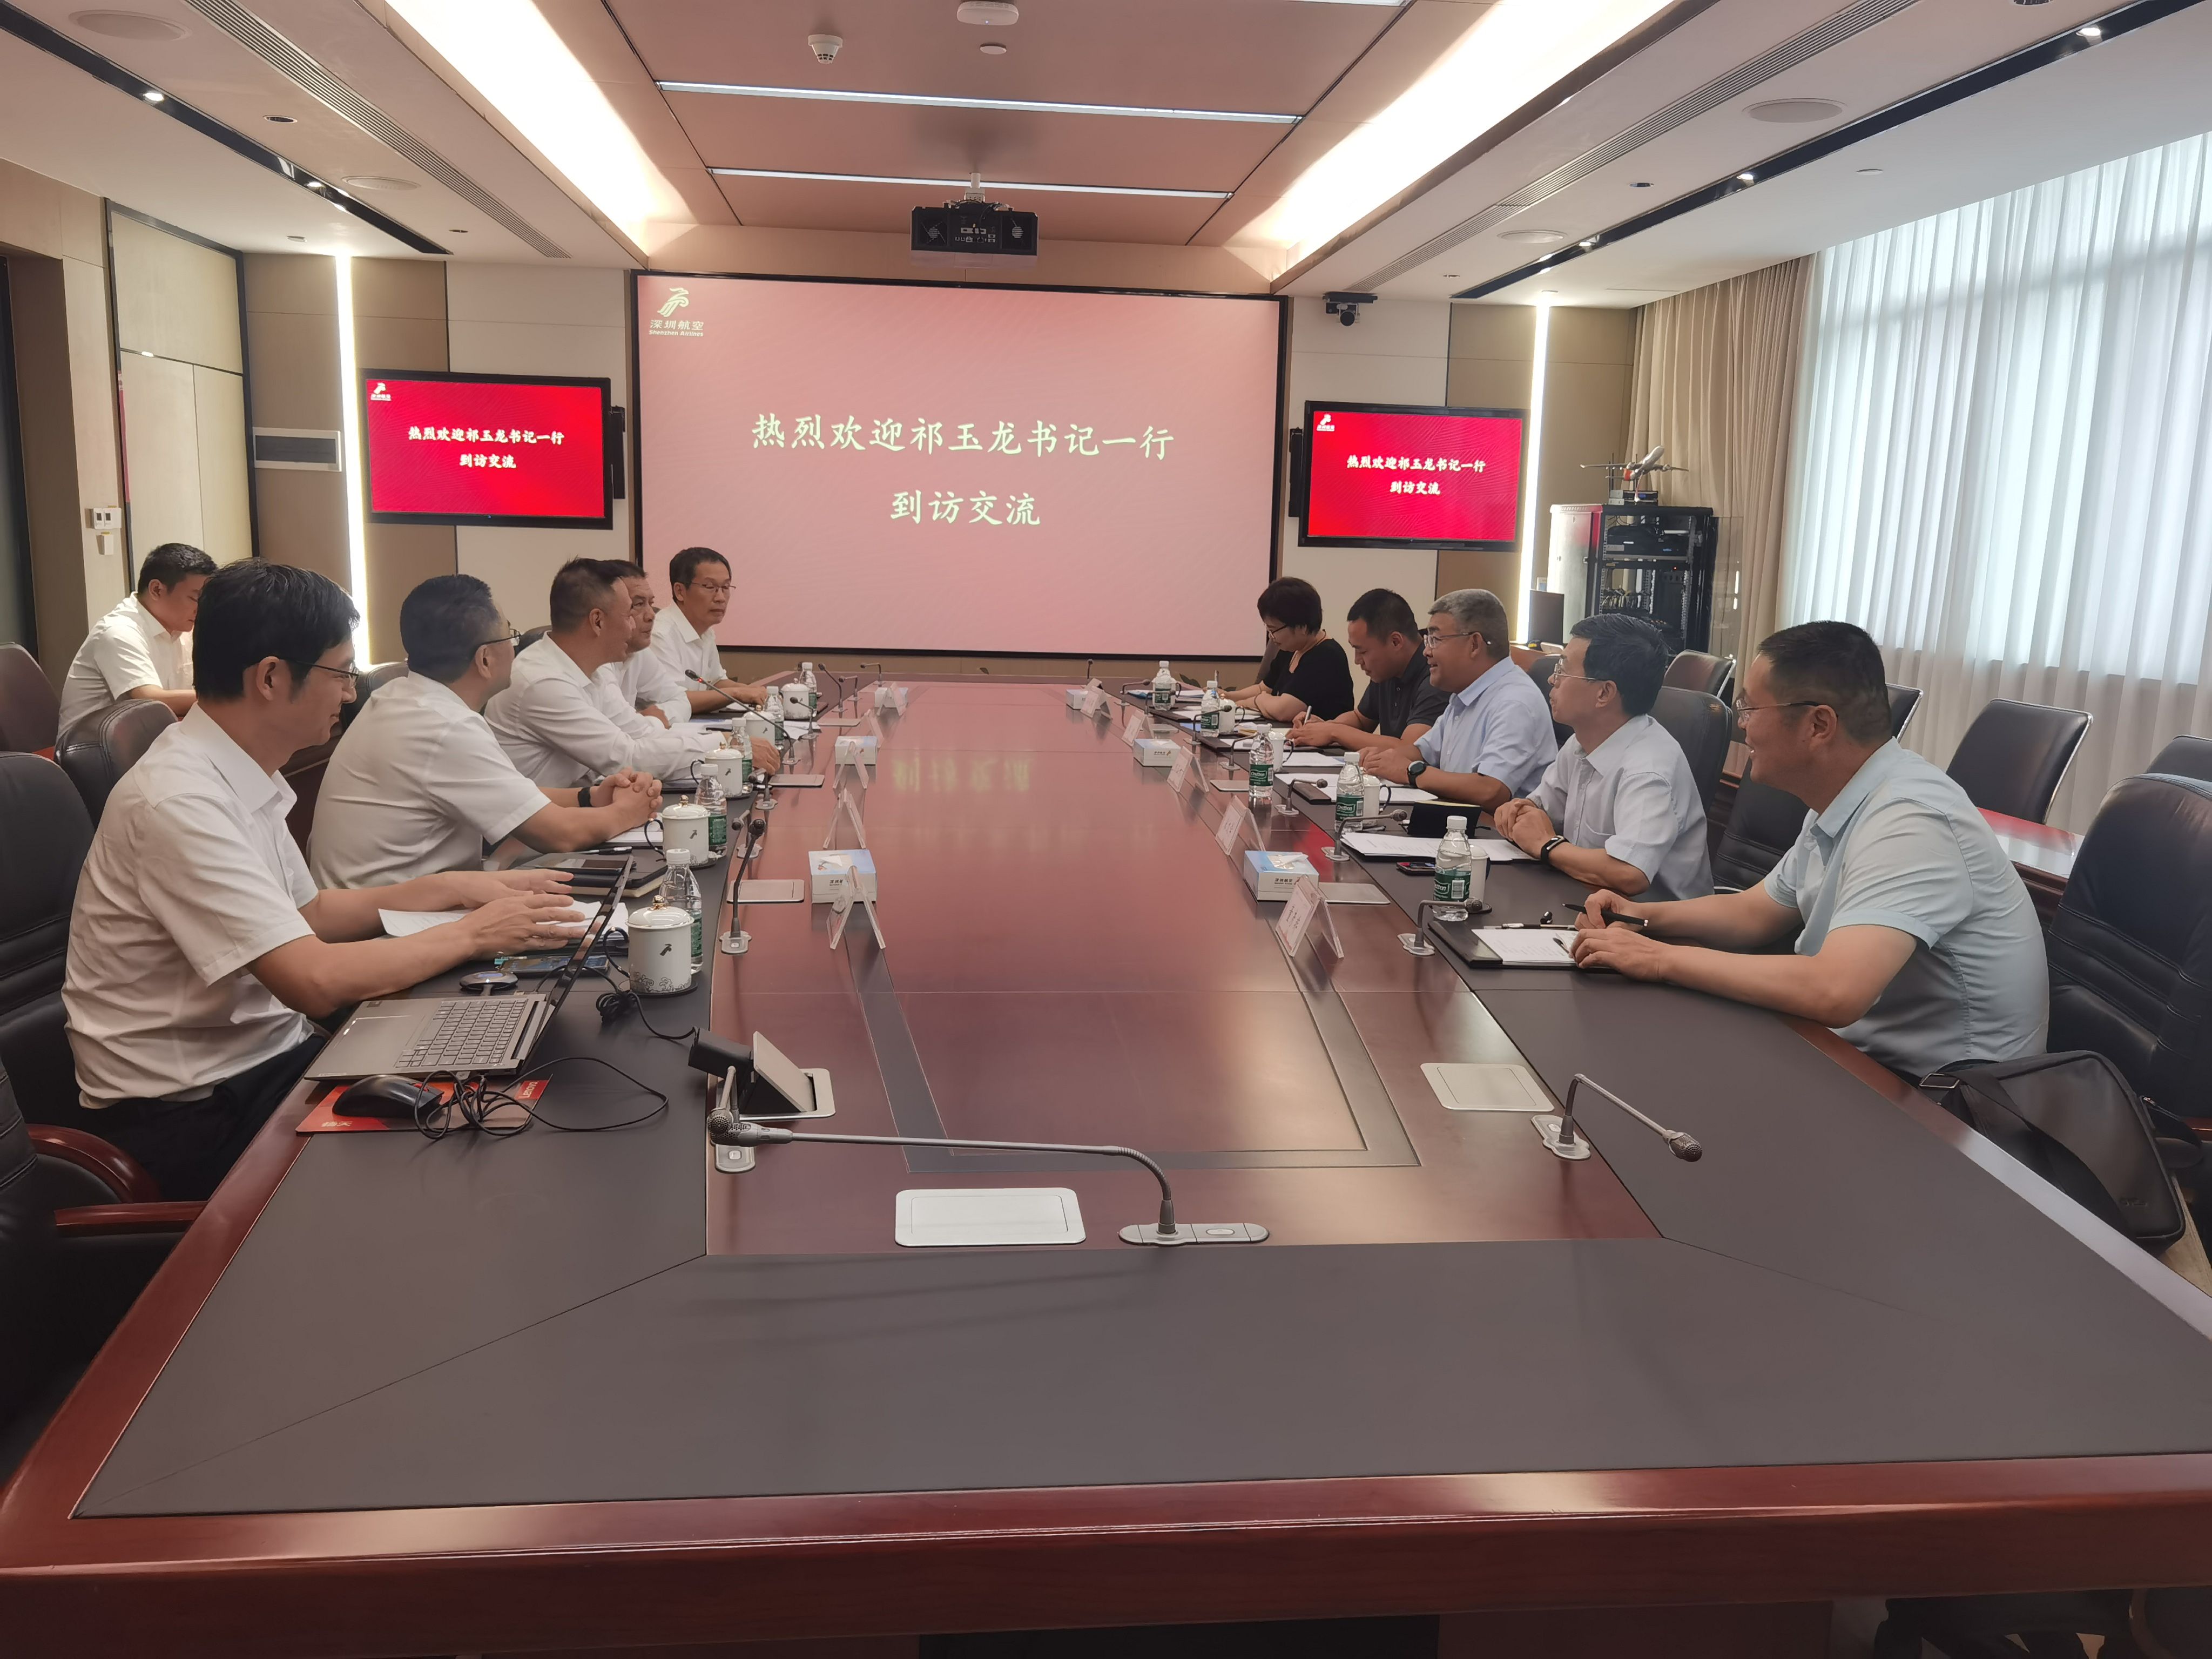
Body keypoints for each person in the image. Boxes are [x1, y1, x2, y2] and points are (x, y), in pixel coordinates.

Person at [59, 561, 583, 1201]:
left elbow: (309, 913)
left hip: (267, 1064)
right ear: (271, 677)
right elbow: (312, 980)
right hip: (195, 1114)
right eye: (341, 672)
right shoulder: (178, 800)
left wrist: (456, 890)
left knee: (502, 1084)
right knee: (473, 1154)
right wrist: (474, 934)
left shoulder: (234, 770)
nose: (350, 693)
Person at [1571, 621, 2048, 1079]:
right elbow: (1753, 913)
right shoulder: (1845, 798)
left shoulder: (1912, 820)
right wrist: (1639, 916)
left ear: (1819, 725)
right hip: (1854, 1055)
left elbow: (1835, 990)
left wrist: (1658, 959)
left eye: (1750, 709)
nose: (1743, 727)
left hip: (1941, 1098)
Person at [308, 574, 662, 888]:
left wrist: (590, 797)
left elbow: (510, 791)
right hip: (388, 926)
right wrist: (629, 811)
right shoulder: (445, 727)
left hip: (398, 907)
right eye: (510, 636)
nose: (515, 647)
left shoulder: (402, 698)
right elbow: (561, 834)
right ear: (485, 660)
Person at [487, 559, 774, 786]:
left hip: (581, 804)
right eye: (629, 614)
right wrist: (725, 744)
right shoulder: (544, 682)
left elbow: (639, 735)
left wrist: (723, 744)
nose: (636, 624)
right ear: (598, 621)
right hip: (536, 832)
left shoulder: (592, 671)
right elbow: (629, 757)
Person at [1493, 613, 1712, 900]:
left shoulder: (1649, 769)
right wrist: (1520, 811)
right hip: (1583, 898)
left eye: (1562, 670)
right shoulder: (1582, 741)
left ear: (1604, 693)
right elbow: (1542, 809)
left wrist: (1547, 846)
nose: (1552, 679)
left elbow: (1629, 873)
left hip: (1653, 922)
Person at [1360, 589, 1556, 808]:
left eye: (1435, 640)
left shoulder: (1515, 702)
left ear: (1474, 644)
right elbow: (1423, 752)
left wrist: (1410, 772)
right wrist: (1380, 759)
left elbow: (1491, 790)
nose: (1426, 651)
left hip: (1491, 827)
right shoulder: (1464, 694)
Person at [57, 542, 217, 733]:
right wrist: (225, 698)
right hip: (94, 746)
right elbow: (150, 700)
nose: (202, 607)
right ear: (157, 590)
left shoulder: (183, 628)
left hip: (152, 735)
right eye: (195, 598)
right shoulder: (118, 632)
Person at [1286, 588, 1447, 753]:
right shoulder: (1387, 670)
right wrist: (1323, 728)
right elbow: (1361, 719)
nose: (1357, 660)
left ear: (1396, 642)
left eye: (1362, 651)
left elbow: (1410, 748)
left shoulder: (1435, 675)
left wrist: (1334, 732)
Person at [648, 546, 768, 716]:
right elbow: (674, 701)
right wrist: (737, 693)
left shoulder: (705, 630)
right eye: (710, 587)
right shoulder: (660, 635)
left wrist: (758, 693)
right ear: (680, 591)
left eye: (726, 587)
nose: (720, 598)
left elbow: (716, 682)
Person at [1223, 576, 1354, 722]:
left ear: (1302, 627)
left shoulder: (1326, 655)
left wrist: (1256, 701)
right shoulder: (1291, 649)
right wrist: (1228, 697)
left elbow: (1284, 710)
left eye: (1274, 630)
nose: (1271, 637)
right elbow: (1264, 689)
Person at [611, 568, 690, 728]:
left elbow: (681, 701)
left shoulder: (639, 651)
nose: (652, 615)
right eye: (638, 604)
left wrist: (655, 719)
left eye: (651, 604)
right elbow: (617, 730)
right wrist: (652, 721)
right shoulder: (597, 661)